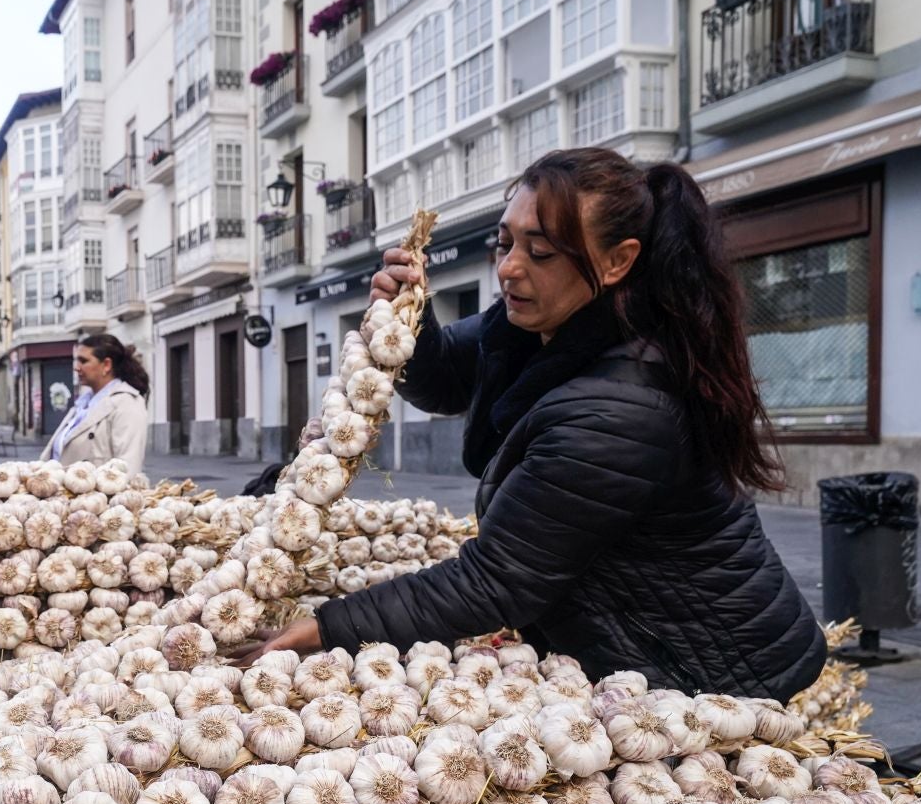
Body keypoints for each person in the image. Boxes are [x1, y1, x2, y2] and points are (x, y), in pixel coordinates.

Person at [243, 148, 827, 701]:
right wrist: (409, 320)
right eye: (505, 244)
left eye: (541, 253)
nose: (510, 268)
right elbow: (447, 379)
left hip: (712, 667)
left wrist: (324, 627)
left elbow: (496, 580)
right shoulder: (531, 326)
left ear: (618, 261)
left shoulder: (621, 408)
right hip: (639, 633)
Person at [41, 333, 151, 474]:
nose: (76, 367)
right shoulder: (84, 403)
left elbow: (128, 466)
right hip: (61, 486)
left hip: (95, 488)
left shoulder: (127, 403)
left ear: (106, 365)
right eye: (77, 361)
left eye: (83, 361)